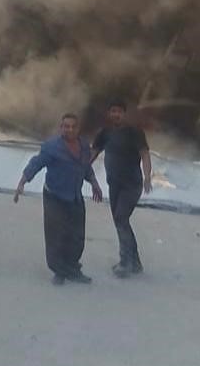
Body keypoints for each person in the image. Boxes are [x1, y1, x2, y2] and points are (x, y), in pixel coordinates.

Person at [14, 113, 103, 285]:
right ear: (61, 128)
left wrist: (94, 183)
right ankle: (59, 271)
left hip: (75, 196)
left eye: (73, 126)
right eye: (66, 126)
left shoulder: (84, 146)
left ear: (78, 129)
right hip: (54, 196)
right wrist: (22, 182)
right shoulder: (52, 147)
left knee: (77, 236)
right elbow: (36, 164)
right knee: (56, 236)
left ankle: (72, 268)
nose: (69, 129)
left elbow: (85, 167)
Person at [91, 100, 152, 277]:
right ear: (109, 113)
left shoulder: (134, 132)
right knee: (120, 221)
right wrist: (80, 169)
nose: (116, 114)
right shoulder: (104, 133)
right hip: (114, 184)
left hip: (132, 184)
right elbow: (93, 153)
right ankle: (136, 262)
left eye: (119, 111)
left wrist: (147, 175)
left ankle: (126, 262)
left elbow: (145, 154)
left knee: (120, 217)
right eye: (113, 111)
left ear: (124, 114)